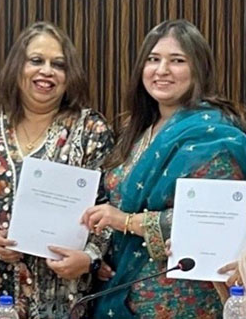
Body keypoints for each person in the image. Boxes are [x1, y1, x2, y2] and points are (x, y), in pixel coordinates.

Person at [82, 19, 245, 318]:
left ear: (199, 68)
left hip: (184, 297)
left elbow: (215, 224)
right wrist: (100, 254)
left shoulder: (213, 135)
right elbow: (114, 201)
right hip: (123, 287)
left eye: (177, 61)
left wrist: (125, 222)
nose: (162, 70)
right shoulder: (137, 129)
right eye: (153, 59)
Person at [0, 22, 115, 317]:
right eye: (36, 61)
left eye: (58, 64)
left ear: (69, 76)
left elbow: (109, 206)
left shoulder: (90, 129)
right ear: (18, 67)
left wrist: (89, 257)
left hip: (64, 293)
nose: (47, 71)